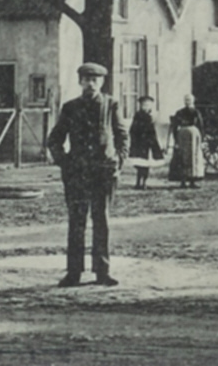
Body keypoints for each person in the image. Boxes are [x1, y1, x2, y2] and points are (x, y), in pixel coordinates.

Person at [47, 62, 128, 288]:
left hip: (104, 172)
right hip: (77, 174)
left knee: (101, 221)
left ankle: (103, 271)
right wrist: (65, 162)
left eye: (95, 80)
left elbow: (122, 136)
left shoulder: (111, 105)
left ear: (101, 82)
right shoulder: (70, 107)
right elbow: (54, 139)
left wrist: (118, 160)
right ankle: (73, 273)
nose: (91, 84)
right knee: (77, 222)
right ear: (80, 81)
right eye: (86, 79)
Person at [169, 94, 205, 188]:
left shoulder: (196, 112)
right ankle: (183, 181)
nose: (187, 101)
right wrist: (176, 138)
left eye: (189, 100)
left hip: (194, 136)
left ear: (193, 101)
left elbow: (200, 125)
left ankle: (193, 180)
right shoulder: (180, 112)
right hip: (183, 136)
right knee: (182, 157)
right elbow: (175, 126)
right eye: (186, 100)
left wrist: (202, 138)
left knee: (194, 157)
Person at [128, 95, 164, 190]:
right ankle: (139, 183)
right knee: (141, 164)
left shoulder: (150, 116)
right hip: (140, 143)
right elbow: (133, 130)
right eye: (144, 105)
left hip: (149, 143)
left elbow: (152, 131)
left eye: (148, 105)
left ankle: (143, 182)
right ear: (140, 105)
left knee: (146, 164)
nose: (146, 107)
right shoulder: (139, 116)